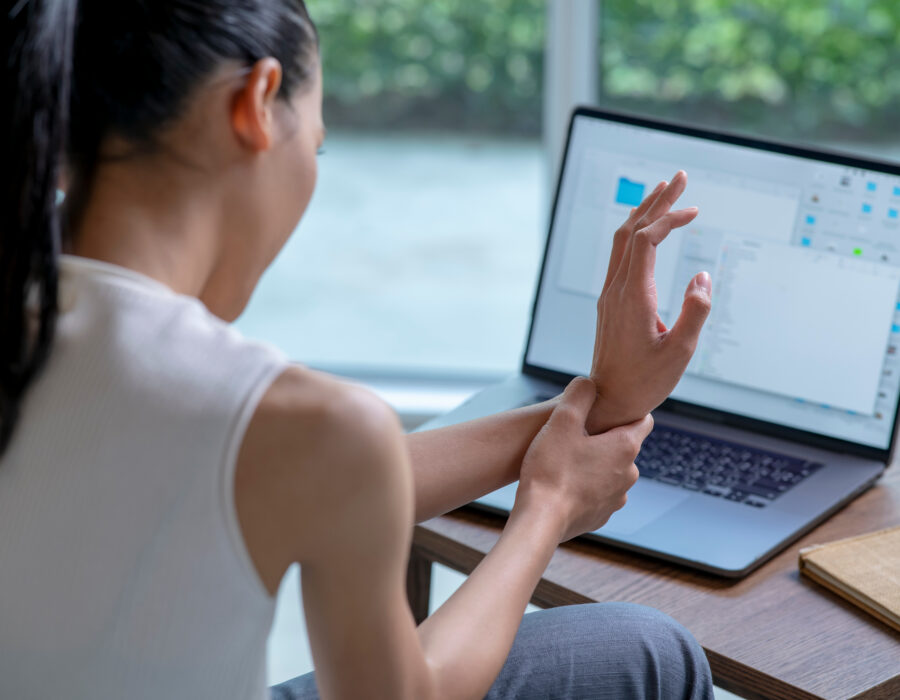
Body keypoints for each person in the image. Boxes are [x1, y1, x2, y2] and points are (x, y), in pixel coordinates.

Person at [0, 1, 715, 699]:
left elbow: (310, 472)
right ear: (257, 102)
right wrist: (549, 507)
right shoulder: (276, 415)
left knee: (639, 647)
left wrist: (596, 406)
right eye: (315, 146)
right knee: (659, 658)